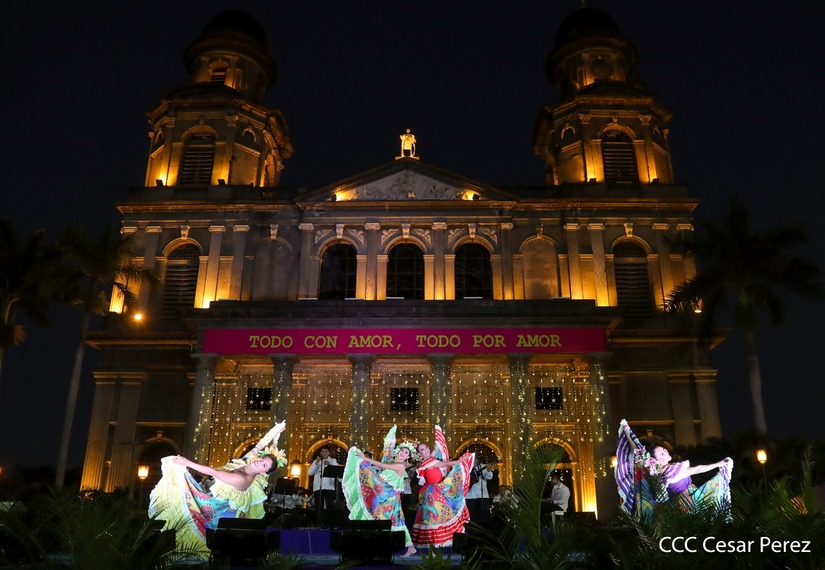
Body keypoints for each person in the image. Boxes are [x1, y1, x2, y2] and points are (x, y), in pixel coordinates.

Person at [148, 421, 287, 558]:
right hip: (219, 502)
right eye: (262, 459)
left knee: (185, 500)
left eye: (263, 465)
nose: (259, 462)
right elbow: (261, 444)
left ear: (264, 472)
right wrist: (276, 430)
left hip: (220, 510)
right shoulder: (248, 461)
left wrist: (187, 462)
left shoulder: (242, 479)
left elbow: (213, 471)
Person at [616, 419, 733, 522]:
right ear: (657, 461)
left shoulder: (658, 472)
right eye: (662, 453)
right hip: (689, 504)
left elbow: (638, 451)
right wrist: (718, 464)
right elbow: (697, 469)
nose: (665, 451)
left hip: (680, 508)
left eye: (664, 449)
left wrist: (627, 431)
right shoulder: (670, 472)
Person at [342, 425, 418, 557]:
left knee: (396, 520)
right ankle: (407, 546)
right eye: (402, 450)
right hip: (383, 495)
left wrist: (365, 459)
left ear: (408, 457)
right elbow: (386, 453)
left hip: (388, 496)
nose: (403, 453)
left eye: (406, 453)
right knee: (393, 519)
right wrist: (390, 439)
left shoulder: (400, 465)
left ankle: (409, 547)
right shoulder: (392, 461)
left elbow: (382, 465)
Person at [410, 425, 475, 550]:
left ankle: (431, 544)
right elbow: (447, 463)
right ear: (419, 453)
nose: (426, 450)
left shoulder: (428, 460)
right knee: (435, 517)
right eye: (422, 449)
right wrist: (462, 461)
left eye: (426, 447)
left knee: (432, 517)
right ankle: (434, 543)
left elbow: (437, 450)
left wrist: (438, 437)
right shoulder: (429, 462)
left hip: (431, 491)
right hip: (434, 492)